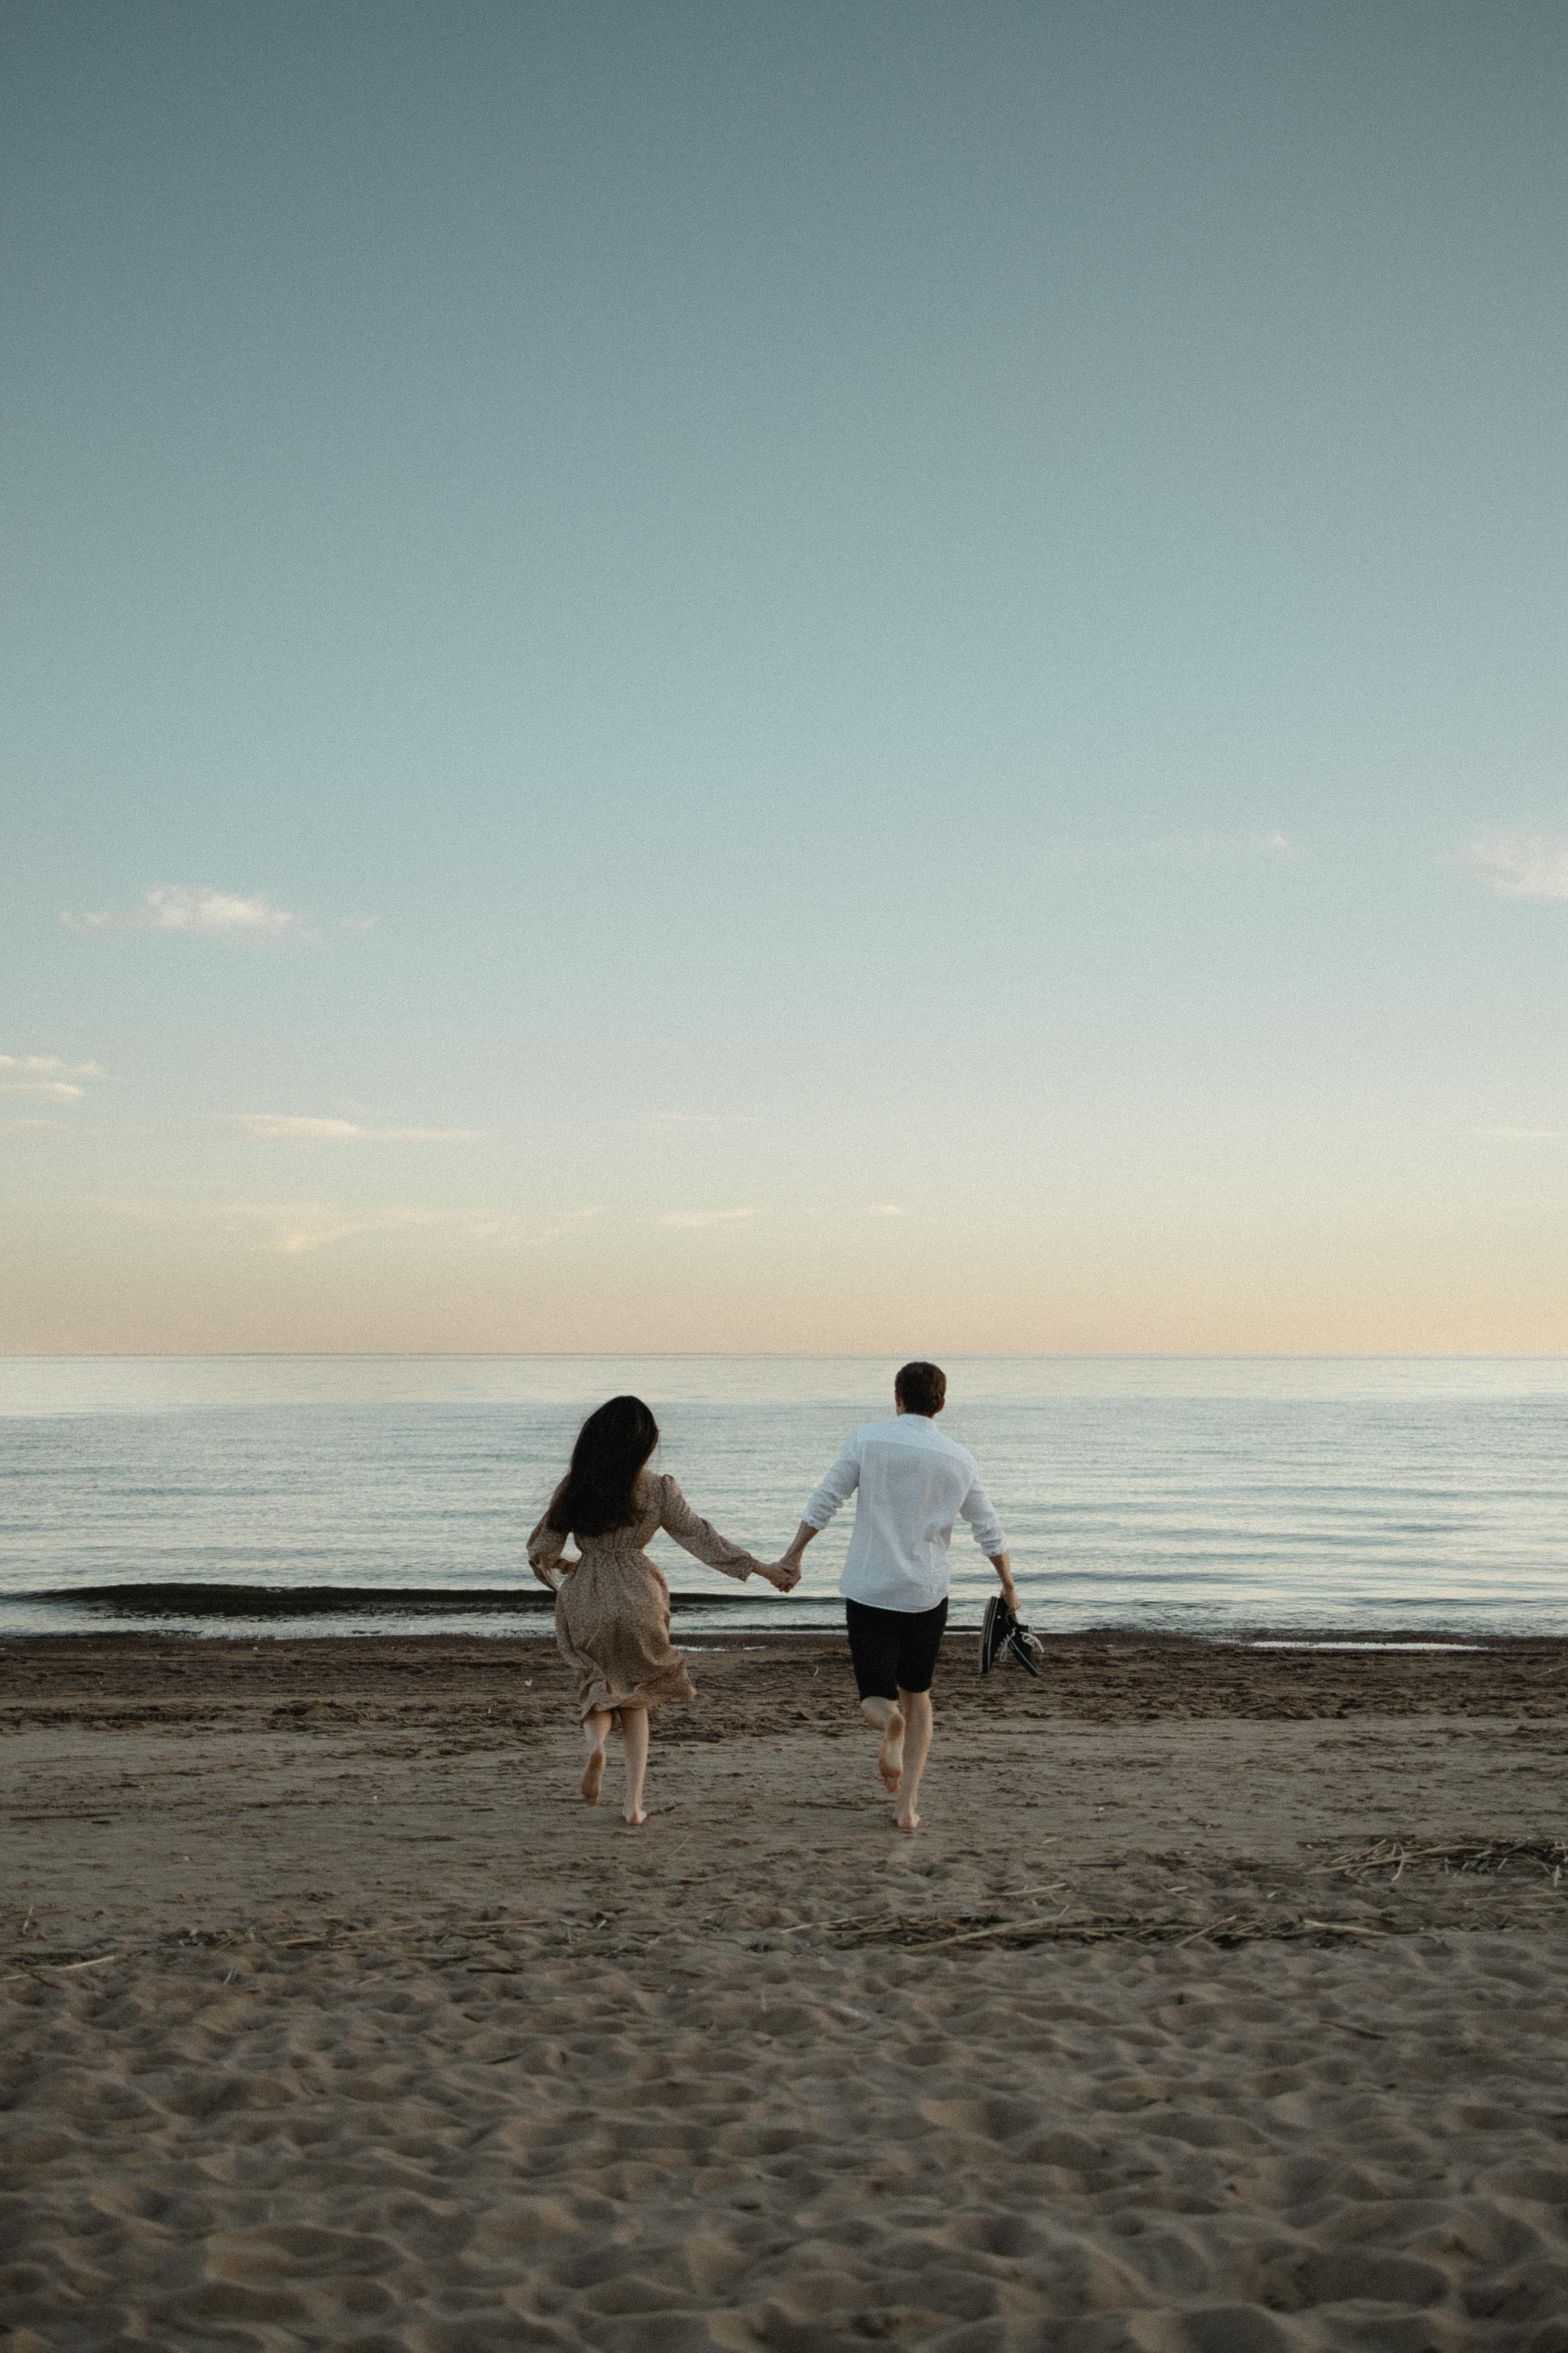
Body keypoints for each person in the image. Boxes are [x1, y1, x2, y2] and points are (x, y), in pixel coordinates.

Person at [528, 1395, 793, 1825]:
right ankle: (633, 1805)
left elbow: (541, 1550)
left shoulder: (574, 1485)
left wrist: (569, 1570)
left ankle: (596, 1746)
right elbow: (702, 1538)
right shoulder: (659, 1489)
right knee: (638, 1698)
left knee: (596, 1684)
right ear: (646, 1444)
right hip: (639, 1595)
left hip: (588, 1596)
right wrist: (763, 1569)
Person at [777, 1360, 1017, 1832]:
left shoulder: (867, 1439)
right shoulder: (960, 1460)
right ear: (942, 1405)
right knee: (919, 1696)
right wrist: (1009, 1586)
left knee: (874, 1696)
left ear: (897, 1396)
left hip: (870, 1589)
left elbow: (826, 1499)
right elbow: (988, 1530)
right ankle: (906, 1807)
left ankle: (888, 1722)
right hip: (925, 1593)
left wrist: (793, 1557)